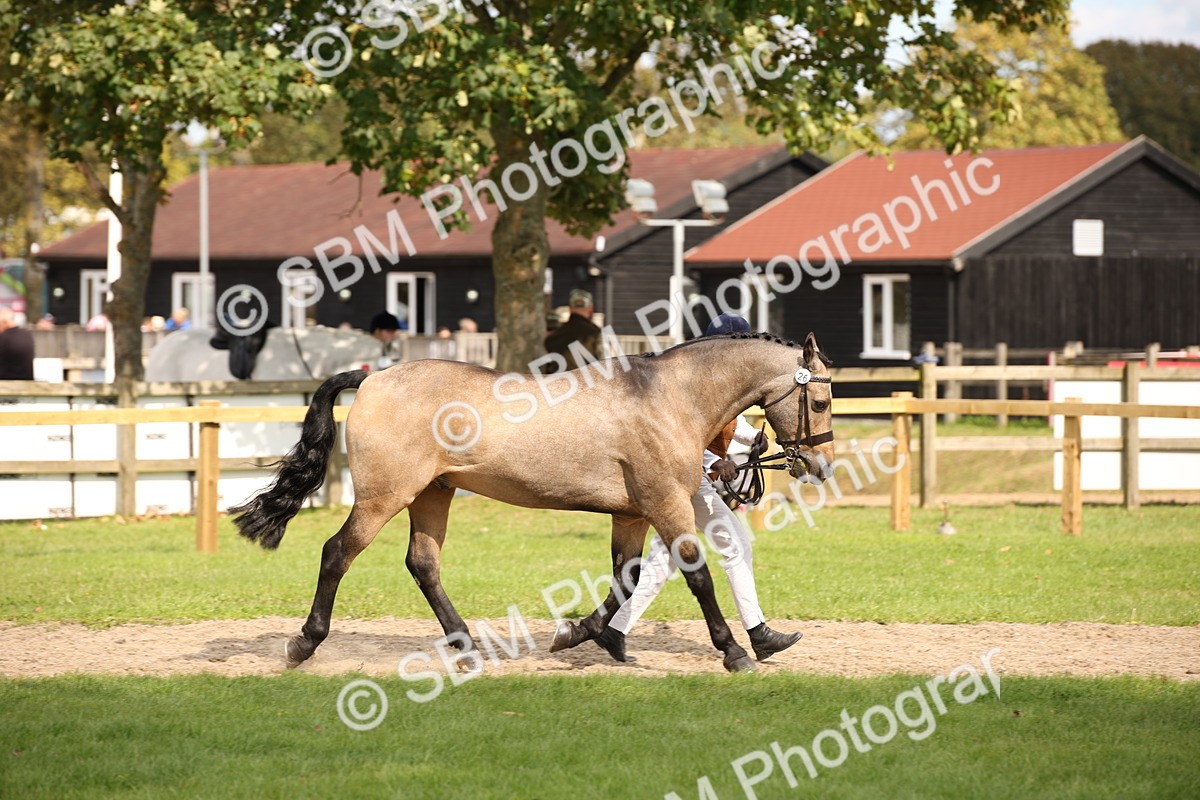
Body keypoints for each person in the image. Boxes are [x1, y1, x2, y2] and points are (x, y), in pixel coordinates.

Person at [590, 313, 802, 663]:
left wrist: (755, 438)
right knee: (736, 546)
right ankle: (757, 632)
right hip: (686, 483)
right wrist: (714, 463)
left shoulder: (719, 387)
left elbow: (735, 424)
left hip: (684, 483)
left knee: (663, 560)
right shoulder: (699, 388)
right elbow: (675, 439)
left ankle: (614, 629)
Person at [544, 288, 601, 371]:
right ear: (590, 308)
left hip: (557, 382)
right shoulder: (596, 334)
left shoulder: (553, 336)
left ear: (570, 308)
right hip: (586, 381)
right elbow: (605, 365)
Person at [0, 306, 35, 380]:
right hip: (27, 382)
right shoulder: (27, 334)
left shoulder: (3, 338)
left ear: (4, 322)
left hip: (6, 383)